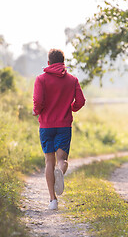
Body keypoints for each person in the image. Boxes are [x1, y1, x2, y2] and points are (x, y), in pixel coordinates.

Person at [33, 49, 85, 210]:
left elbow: (38, 101)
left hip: (46, 126)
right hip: (64, 126)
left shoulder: (41, 79)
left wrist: (37, 111)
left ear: (48, 63)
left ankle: (52, 200)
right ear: (63, 62)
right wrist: (71, 108)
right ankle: (60, 172)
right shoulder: (73, 80)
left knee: (49, 161)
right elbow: (81, 101)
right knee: (62, 160)